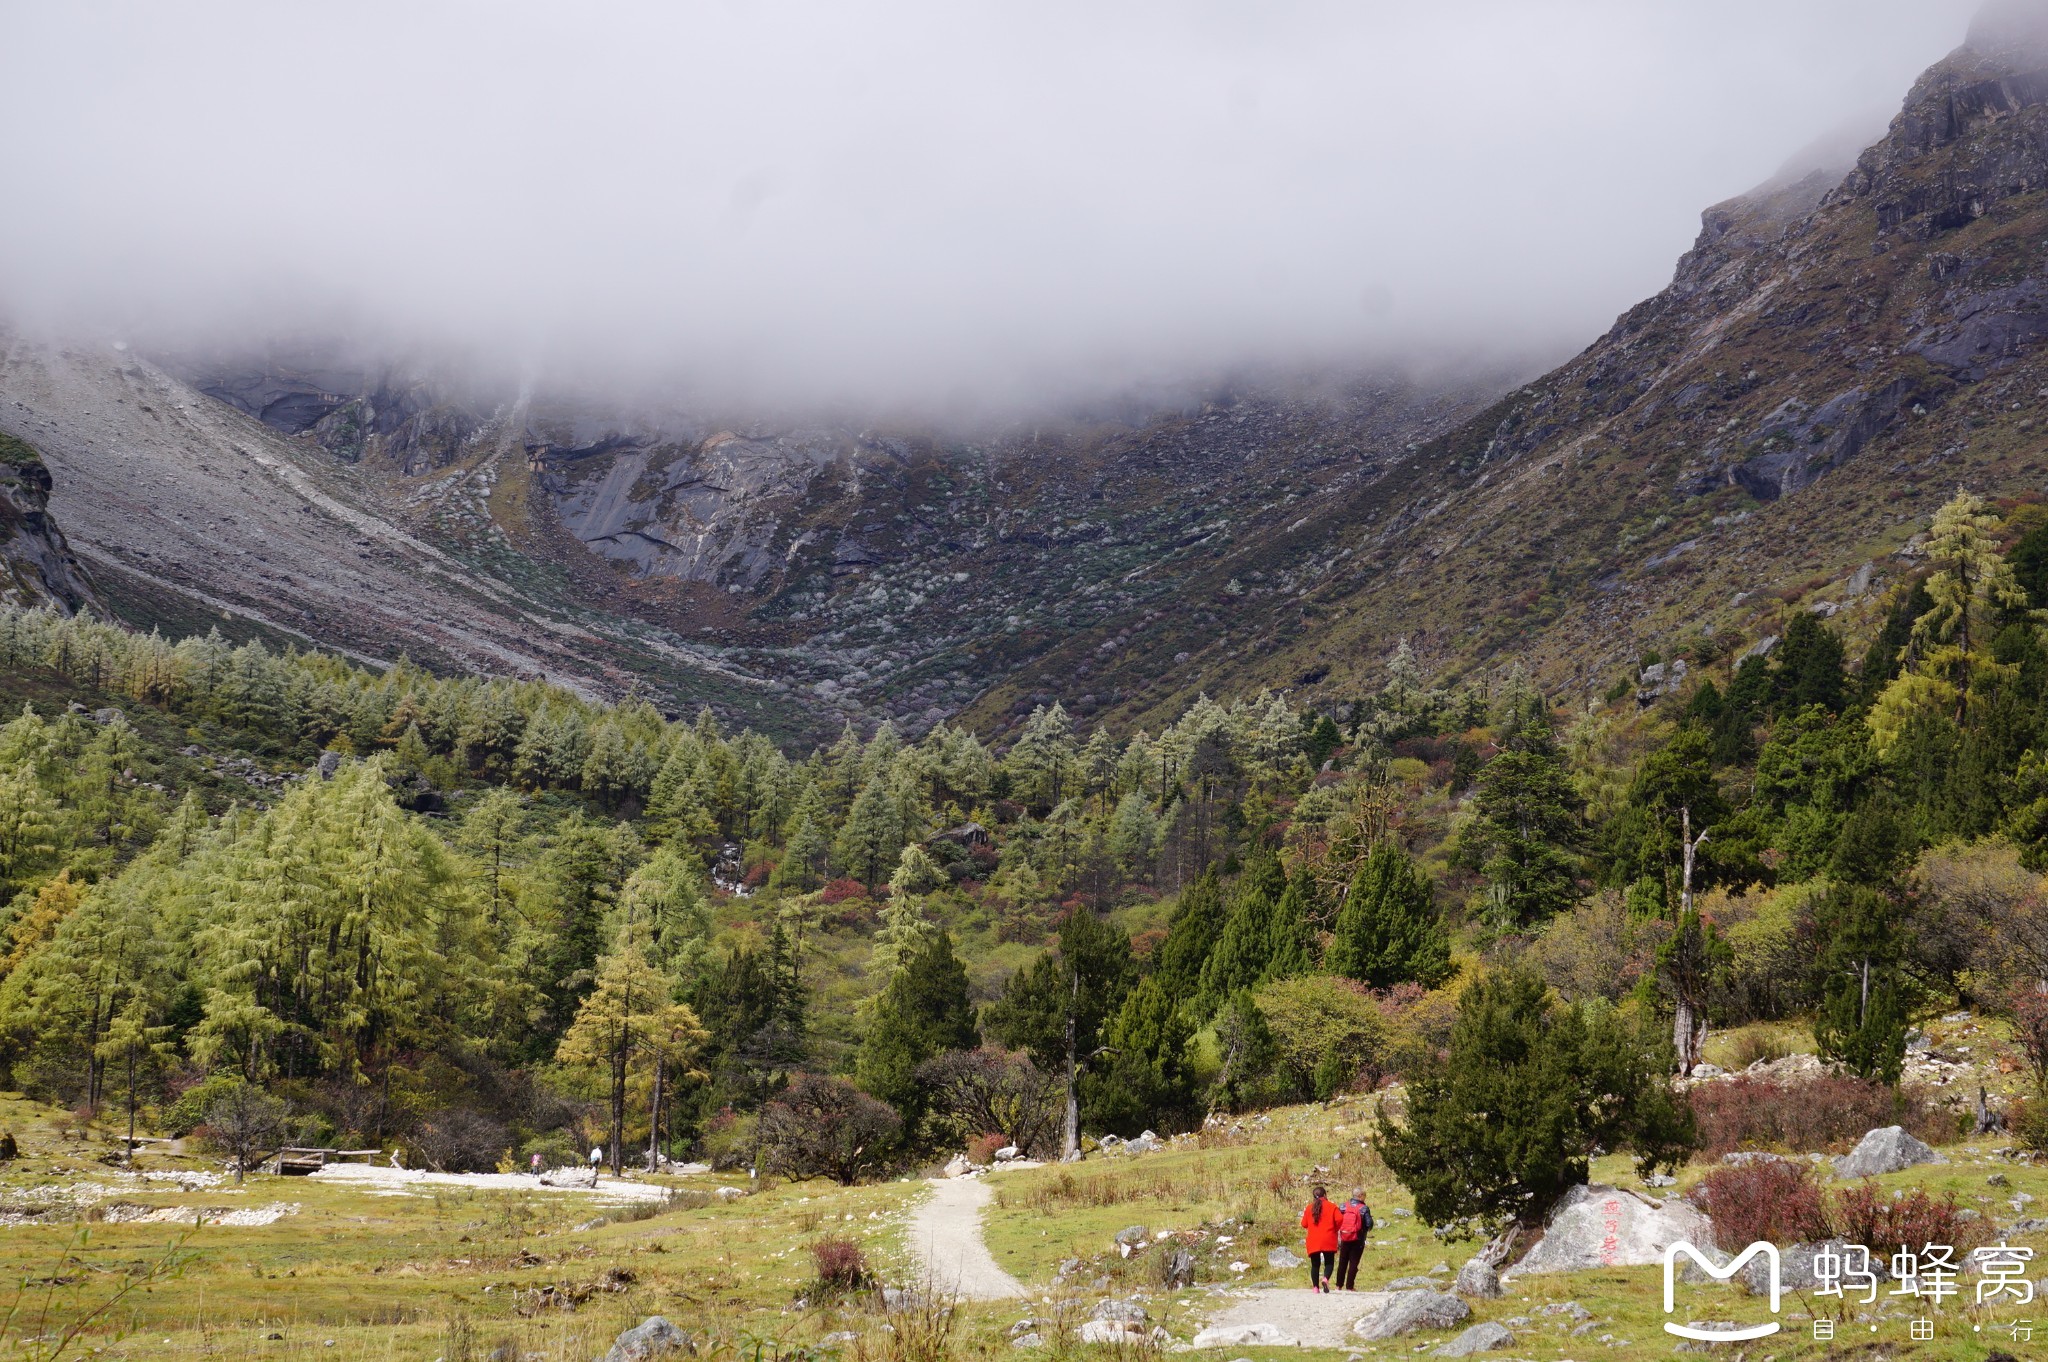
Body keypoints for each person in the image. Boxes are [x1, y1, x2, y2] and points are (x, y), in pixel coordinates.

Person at [1300, 1184, 1340, 1293]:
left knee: (1315, 1265)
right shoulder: (1332, 1206)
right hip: (1328, 1238)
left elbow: (1303, 1224)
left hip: (1313, 1240)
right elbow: (1340, 1219)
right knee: (1329, 1262)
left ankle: (1315, 1288)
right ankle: (1325, 1279)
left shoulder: (1309, 1208)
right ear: (1325, 1195)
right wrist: (1335, 1229)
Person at [1335, 1190, 1372, 1290]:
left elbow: (1337, 1221)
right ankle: (1350, 1286)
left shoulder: (1343, 1206)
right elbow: (1369, 1224)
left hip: (1344, 1237)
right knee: (1353, 1262)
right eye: (1364, 1195)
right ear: (1360, 1196)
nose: (1365, 1198)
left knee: (1342, 1261)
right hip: (1358, 1239)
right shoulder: (1364, 1208)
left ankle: (1338, 1285)